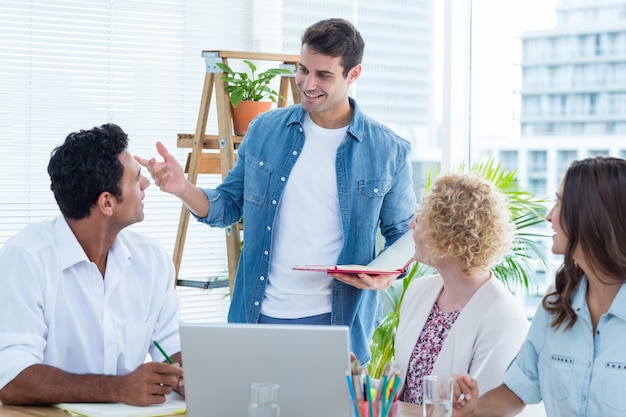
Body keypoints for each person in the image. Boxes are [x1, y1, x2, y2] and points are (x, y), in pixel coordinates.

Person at [136, 18, 416, 364]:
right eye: (303, 70)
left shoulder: (387, 150)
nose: (308, 84)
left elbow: (403, 236)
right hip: (257, 317)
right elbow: (227, 205)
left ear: (353, 74)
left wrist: (385, 275)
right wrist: (182, 188)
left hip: (336, 326)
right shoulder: (265, 130)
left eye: (323, 75)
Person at [0, 123, 183, 406]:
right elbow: (11, 379)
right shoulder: (25, 258)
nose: (146, 184)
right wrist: (119, 389)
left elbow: (172, 347)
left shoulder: (152, 259)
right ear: (107, 203)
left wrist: (188, 375)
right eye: (136, 179)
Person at [453, 156, 626, 417]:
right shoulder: (557, 303)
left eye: (559, 203)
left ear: (592, 214)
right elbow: (517, 391)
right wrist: (472, 406)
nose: (549, 216)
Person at [394, 172, 528, 405]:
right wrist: (356, 376)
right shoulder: (418, 291)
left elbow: (480, 408)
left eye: (421, 221)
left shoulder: (503, 316)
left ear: (448, 242)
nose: (410, 225)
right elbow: (401, 387)